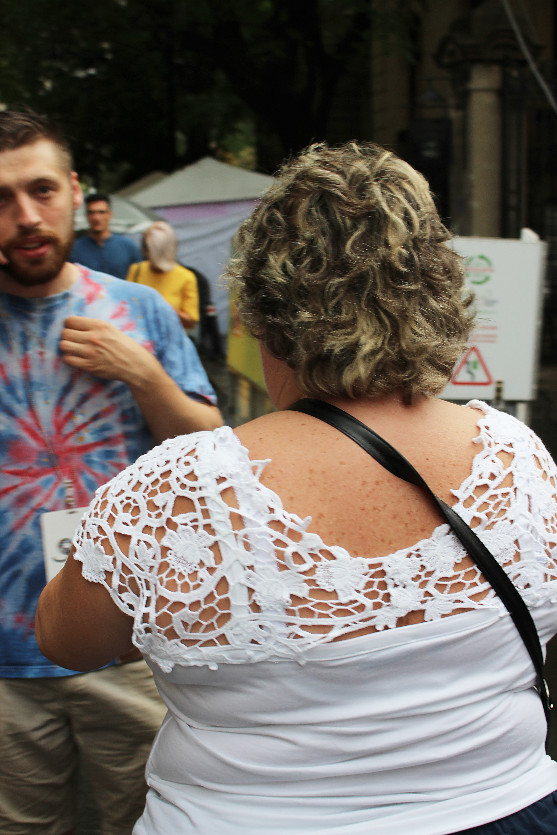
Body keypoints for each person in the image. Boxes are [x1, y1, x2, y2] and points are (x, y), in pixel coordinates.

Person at [36, 141, 557, 834]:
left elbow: (65, 639)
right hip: (507, 810)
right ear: (434, 289)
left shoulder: (175, 489)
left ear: (256, 309)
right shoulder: (517, 459)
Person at [0, 109, 222, 835]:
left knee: (142, 822)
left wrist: (146, 376)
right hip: (4, 665)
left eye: (40, 190)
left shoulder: (138, 309)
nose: (25, 216)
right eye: (1, 199)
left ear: (73, 189)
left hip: (128, 644)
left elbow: (211, 453)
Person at [127, 221, 200, 334]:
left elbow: (191, 321)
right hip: (140, 338)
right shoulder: (136, 270)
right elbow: (127, 306)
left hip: (170, 339)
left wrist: (161, 307)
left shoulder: (186, 277)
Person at [71, 191, 142, 278]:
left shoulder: (127, 246)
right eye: (91, 212)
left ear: (109, 214)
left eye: (101, 212)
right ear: (86, 215)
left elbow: (139, 278)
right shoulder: (75, 249)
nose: (96, 218)